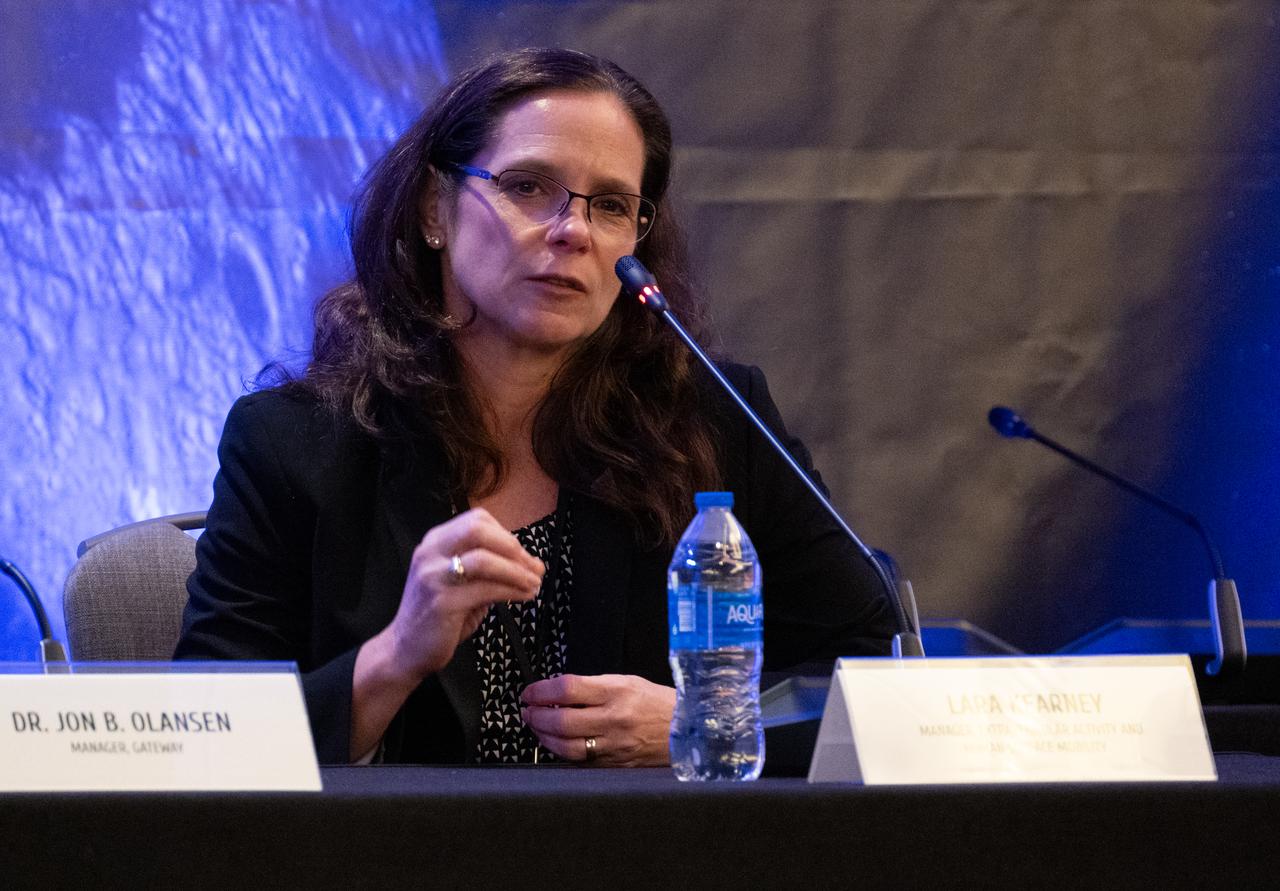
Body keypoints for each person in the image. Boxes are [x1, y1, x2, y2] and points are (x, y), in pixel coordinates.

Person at [175, 47, 895, 766]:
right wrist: (395, 655)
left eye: (611, 205)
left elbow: (877, 674)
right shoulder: (294, 441)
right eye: (527, 186)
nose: (573, 230)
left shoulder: (712, 420)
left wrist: (706, 721)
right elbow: (207, 739)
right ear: (434, 209)